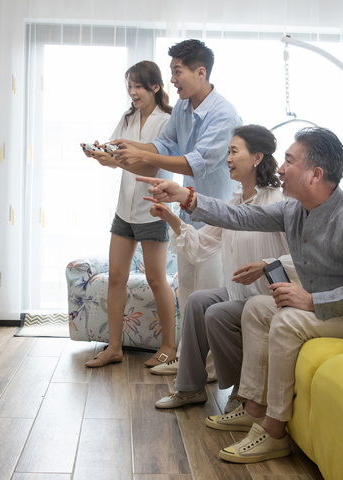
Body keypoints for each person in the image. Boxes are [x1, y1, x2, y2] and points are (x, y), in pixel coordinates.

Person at [138, 127, 343, 464]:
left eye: (289, 161)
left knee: (288, 319)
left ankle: (274, 432)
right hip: (335, 314)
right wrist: (186, 197)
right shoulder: (294, 210)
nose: (280, 168)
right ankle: (254, 407)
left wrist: (312, 301)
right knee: (259, 306)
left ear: (315, 174)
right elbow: (239, 216)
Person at [111, 39, 242, 371]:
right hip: (189, 216)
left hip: (217, 218)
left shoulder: (223, 114)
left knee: (208, 297)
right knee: (188, 294)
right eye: (171, 71)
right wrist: (129, 148)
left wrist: (141, 154)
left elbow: (196, 163)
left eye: (177, 71)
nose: (172, 80)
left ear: (201, 72)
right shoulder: (183, 108)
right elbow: (165, 144)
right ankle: (186, 361)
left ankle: (208, 369)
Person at [148, 125, 295, 413]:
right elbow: (201, 246)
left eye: (234, 151)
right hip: (237, 293)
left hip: (266, 297)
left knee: (216, 311)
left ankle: (241, 392)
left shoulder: (279, 202)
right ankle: (189, 388)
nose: (227, 158)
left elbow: (299, 257)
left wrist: (267, 265)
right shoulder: (235, 202)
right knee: (198, 301)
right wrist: (171, 218)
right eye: (227, 151)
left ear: (257, 157)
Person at [81, 61, 177, 368]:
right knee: (116, 278)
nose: (132, 92)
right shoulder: (128, 117)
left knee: (156, 279)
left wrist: (117, 159)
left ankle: (169, 347)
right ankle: (113, 348)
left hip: (152, 209)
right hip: (124, 210)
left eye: (138, 86)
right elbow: (114, 156)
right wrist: (99, 154)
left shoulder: (167, 121)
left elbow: (152, 165)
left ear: (155, 87)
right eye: (129, 86)